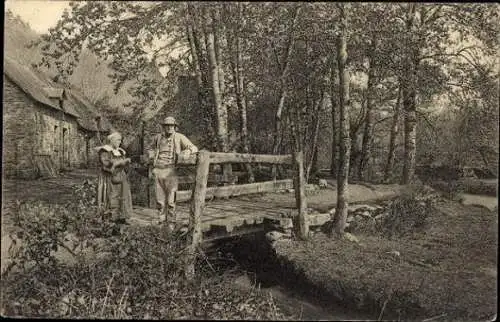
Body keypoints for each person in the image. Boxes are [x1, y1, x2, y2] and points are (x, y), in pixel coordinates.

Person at [145, 116, 198, 230]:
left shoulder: (179, 137)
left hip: (171, 171)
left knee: (171, 199)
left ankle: (171, 223)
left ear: (175, 127)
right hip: (158, 170)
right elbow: (149, 148)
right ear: (163, 127)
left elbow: (194, 147)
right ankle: (161, 221)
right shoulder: (158, 137)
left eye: (171, 126)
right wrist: (151, 154)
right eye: (166, 126)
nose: (169, 128)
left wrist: (187, 151)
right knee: (160, 199)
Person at [95, 131, 133, 225]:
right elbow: (106, 163)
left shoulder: (120, 151)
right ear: (111, 140)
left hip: (121, 176)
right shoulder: (104, 151)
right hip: (109, 177)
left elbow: (124, 162)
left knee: (123, 195)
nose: (119, 142)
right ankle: (111, 216)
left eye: (120, 140)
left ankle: (122, 216)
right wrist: (120, 163)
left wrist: (126, 163)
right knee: (111, 195)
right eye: (117, 140)